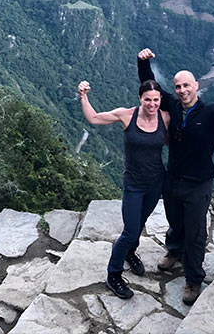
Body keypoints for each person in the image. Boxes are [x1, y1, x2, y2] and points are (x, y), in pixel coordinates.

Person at [137, 48, 214, 305]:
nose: (182, 90)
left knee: (195, 233)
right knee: (175, 221)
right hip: (173, 178)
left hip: (199, 183)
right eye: (178, 86)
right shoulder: (172, 105)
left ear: (196, 86)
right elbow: (150, 88)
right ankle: (174, 252)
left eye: (186, 86)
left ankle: (193, 279)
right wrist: (142, 62)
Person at [77, 78, 171, 299]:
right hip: (134, 184)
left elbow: (177, 141)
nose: (152, 104)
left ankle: (130, 253)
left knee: (139, 224)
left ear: (160, 100)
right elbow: (93, 118)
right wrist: (83, 95)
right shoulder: (126, 115)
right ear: (140, 99)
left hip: (156, 182)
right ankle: (114, 275)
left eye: (156, 100)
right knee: (129, 230)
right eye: (147, 99)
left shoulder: (165, 118)